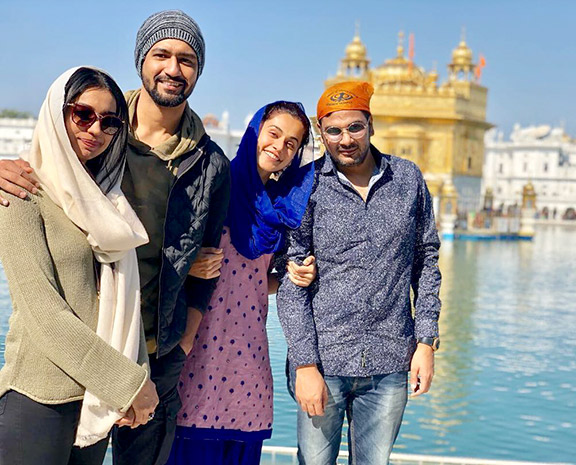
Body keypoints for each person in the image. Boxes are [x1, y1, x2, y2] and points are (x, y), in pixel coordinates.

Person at [0, 10, 231, 465]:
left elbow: (208, 264)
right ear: (141, 61)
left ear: (199, 70)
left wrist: (181, 347)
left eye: (186, 59)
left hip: (156, 353)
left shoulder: (211, 163)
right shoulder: (101, 134)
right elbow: (48, 178)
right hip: (79, 354)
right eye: (161, 54)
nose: (173, 68)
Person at [276, 81, 442, 465]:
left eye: (355, 127)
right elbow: (292, 282)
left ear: (371, 125)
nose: (345, 139)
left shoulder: (407, 179)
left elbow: (426, 260)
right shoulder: (306, 186)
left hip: (389, 362)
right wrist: (304, 365)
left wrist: (426, 342)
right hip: (324, 362)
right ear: (321, 133)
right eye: (333, 130)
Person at [0, 66, 158, 465]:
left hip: (97, 402)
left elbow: (123, 302)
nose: (95, 130)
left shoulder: (108, 203)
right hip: (40, 401)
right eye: (82, 114)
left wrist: (132, 381)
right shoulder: (20, 194)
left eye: (109, 121)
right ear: (57, 113)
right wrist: (129, 383)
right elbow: (44, 314)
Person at [167, 101, 317, 465]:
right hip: (196, 350)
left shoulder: (281, 207)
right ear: (255, 132)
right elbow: (164, 250)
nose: (279, 148)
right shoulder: (213, 185)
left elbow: (256, 280)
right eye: (274, 134)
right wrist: (187, 267)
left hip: (247, 359)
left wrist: (289, 277)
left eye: (292, 144)